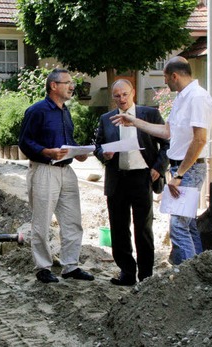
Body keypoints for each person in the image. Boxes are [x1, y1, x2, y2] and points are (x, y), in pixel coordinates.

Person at [110, 56, 212, 265]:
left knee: (178, 227)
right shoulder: (183, 98)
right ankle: (200, 273)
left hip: (189, 169)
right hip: (181, 169)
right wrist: (134, 121)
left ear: (174, 76)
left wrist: (180, 175)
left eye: (166, 77)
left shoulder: (197, 97)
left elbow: (200, 139)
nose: (164, 82)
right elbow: (166, 132)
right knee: (188, 225)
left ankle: (188, 277)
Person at [18, 68, 94, 283]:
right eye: (68, 83)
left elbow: (67, 140)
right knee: (41, 221)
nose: (72, 87)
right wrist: (46, 152)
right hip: (44, 170)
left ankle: (70, 266)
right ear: (53, 86)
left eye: (72, 83)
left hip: (67, 171)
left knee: (72, 221)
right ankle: (42, 267)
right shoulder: (37, 111)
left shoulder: (64, 111)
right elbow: (25, 142)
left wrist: (77, 152)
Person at [93, 79, 169, 285]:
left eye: (125, 94)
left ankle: (145, 276)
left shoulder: (149, 115)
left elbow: (167, 143)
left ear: (133, 92)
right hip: (117, 178)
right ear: (112, 97)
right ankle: (126, 273)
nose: (122, 99)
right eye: (117, 96)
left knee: (143, 229)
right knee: (118, 228)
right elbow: (98, 146)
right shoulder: (106, 118)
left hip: (142, 176)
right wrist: (104, 155)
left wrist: (158, 168)